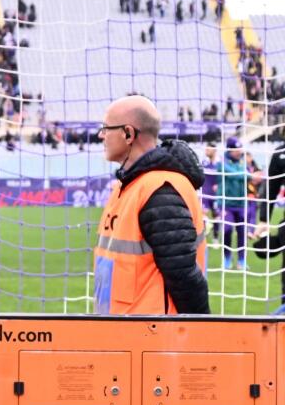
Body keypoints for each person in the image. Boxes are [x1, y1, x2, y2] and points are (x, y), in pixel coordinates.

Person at [93, 95, 209, 315]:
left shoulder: (160, 190)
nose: (101, 135)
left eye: (106, 128)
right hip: (126, 334)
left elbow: (184, 276)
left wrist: (201, 334)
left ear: (128, 133)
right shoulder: (130, 185)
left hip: (154, 339)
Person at [216, 136, 252, 270]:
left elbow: (248, 175)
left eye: (240, 148)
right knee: (227, 230)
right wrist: (244, 174)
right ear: (229, 150)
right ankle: (227, 258)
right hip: (226, 204)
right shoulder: (222, 162)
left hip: (242, 204)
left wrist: (246, 174)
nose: (239, 151)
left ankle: (242, 260)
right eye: (236, 149)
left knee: (242, 232)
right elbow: (237, 175)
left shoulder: (242, 162)